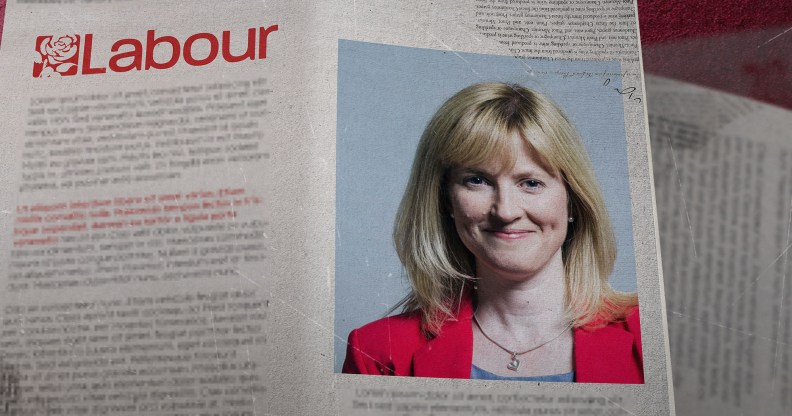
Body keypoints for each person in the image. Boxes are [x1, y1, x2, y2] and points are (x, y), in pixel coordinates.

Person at [342, 82, 643, 383]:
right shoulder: (377, 353)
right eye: (477, 180)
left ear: (573, 201)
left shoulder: (651, 335)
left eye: (531, 183)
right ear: (446, 199)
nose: (506, 211)